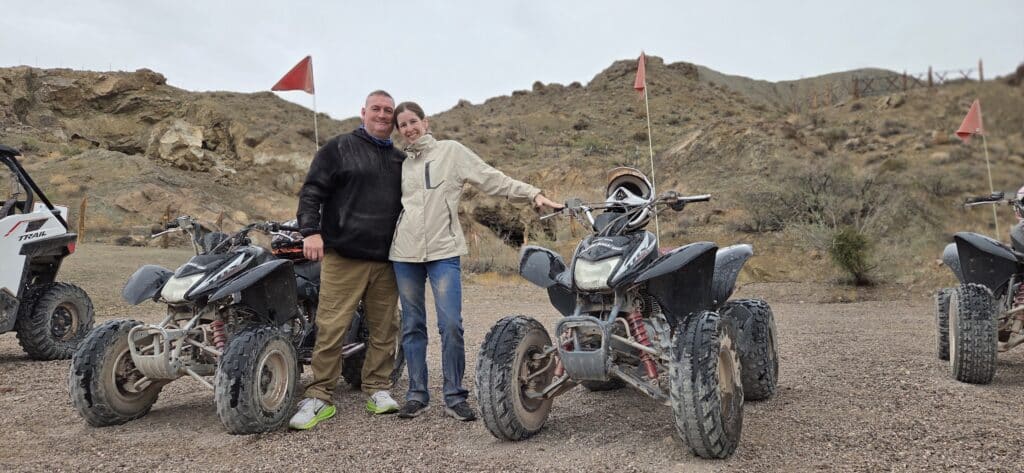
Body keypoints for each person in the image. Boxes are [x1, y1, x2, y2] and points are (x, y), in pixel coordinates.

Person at [389, 101, 562, 421]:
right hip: (405, 254)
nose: (409, 129)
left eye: (413, 121)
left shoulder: (451, 152)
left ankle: (454, 396)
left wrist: (532, 193)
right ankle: (416, 394)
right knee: (412, 326)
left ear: (426, 123)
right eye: (403, 125)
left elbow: (490, 178)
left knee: (451, 325)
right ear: (399, 131)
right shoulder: (401, 164)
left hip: (444, 252)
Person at [288, 90, 406, 430]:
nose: (383, 115)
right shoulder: (338, 148)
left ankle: (377, 388)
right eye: (376, 109)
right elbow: (312, 191)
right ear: (363, 112)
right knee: (331, 326)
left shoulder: (400, 160)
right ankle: (320, 394)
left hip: (386, 261)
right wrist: (310, 230)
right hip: (344, 256)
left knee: (385, 329)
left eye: (388, 110)